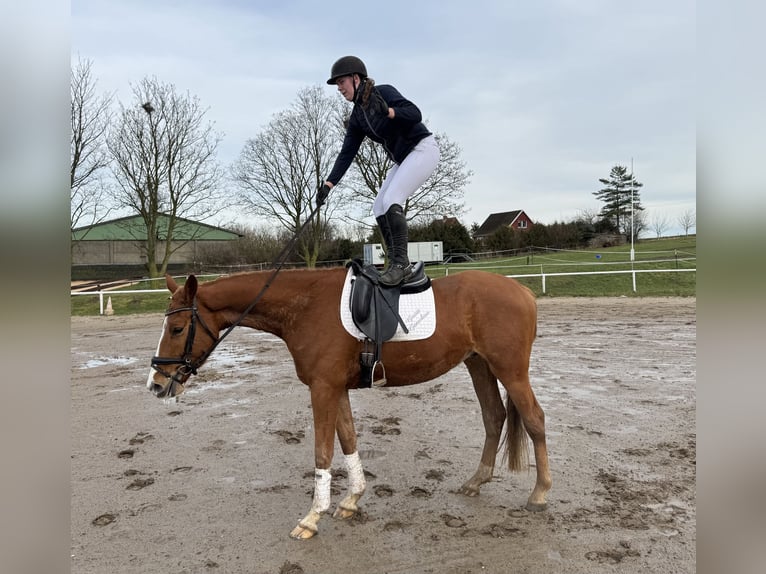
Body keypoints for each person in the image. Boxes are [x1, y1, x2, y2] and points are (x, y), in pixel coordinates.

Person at [317, 55, 440, 286]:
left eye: (341, 82)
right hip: (403, 160)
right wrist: (328, 184)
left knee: (393, 198)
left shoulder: (383, 92)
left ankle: (402, 265)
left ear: (355, 78)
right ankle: (395, 263)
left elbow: (415, 113)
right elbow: (347, 153)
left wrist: (389, 112)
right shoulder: (357, 117)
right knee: (379, 206)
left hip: (423, 148)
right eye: (337, 85)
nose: (339, 89)